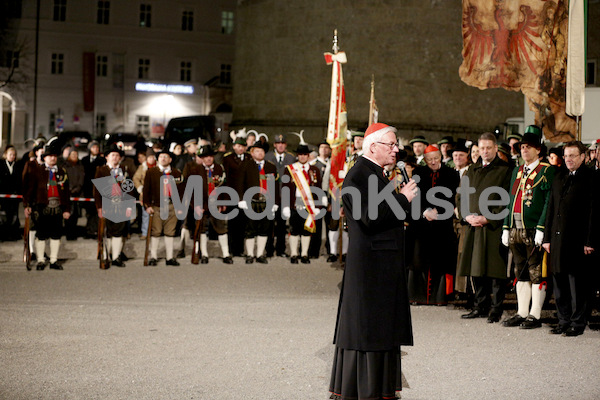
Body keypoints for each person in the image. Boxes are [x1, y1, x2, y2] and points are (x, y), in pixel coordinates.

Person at [329, 123, 417, 400]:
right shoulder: (357, 175)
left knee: (381, 327)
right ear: (372, 146)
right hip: (371, 265)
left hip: (383, 262)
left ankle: (381, 387)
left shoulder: (377, 174)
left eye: (396, 145)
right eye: (391, 144)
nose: (396, 149)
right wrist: (402, 199)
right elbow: (368, 218)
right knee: (369, 329)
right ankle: (365, 389)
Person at [542, 141, 599, 336]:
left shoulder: (591, 178)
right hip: (557, 239)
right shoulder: (559, 176)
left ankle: (578, 322)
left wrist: (590, 241)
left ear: (583, 157)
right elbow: (551, 208)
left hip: (578, 240)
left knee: (578, 284)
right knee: (559, 281)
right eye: (566, 156)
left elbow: (594, 212)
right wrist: (547, 237)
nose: (568, 159)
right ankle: (563, 320)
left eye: (573, 156)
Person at [501, 126, 555, 329]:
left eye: (529, 147)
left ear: (538, 150)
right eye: (522, 147)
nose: (524, 150)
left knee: (536, 272)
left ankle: (536, 314)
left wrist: (542, 228)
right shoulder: (517, 170)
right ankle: (522, 311)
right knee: (520, 271)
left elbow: (548, 201)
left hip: (533, 229)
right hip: (515, 227)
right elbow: (511, 200)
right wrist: (506, 227)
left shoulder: (547, 170)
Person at [457, 132, 512, 323]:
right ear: (478, 150)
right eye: (482, 148)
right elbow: (461, 196)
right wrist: (467, 216)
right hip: (473, 226)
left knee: (495, 270)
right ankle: (479, 306)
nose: (485, 151)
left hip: (493, 227)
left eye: (489, 147)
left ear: (495, 148)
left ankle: (496, 308)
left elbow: (507, 200)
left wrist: (488, 218)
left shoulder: (506, 170)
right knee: (476, 268)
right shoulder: (471, 170)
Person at [408, 145, 460, 305]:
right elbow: (413, 197)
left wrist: (439, 210)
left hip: (442, 224)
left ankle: (440, 297)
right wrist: (425, 211)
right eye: (429, 160)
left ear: (440, 158)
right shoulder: (418, 174)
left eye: (436, 159)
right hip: (421, 224)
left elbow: (453, 197)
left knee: (441, 262)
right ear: (425, 160)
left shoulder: (452, 174)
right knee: (418, 260)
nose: (433, 162)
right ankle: (417, 296)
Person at [23, 141, 71, 270]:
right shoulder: (38, 171)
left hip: (57, 208)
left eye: (55, 156)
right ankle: (40, 260)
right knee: (41, 235)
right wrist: (27, 205)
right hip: (42, 207)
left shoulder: (62, 172)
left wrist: (67, 209)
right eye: (50, 156)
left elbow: (66, 193)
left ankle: (54, 261)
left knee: (56, 235)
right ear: (44, 158)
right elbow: (30, 190)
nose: (53, 158)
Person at [236, 141, 279, 264]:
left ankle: (260, 254)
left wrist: (275, 202)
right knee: (250, 228)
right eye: (257, 151)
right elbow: (240, 184)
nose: (260, 153)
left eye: (262, 151)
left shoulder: (271, 167)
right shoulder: (246, 165)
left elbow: (275, 185)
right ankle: (250, 254)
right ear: (252, 152)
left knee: (264, 228)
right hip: (251, 201)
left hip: (266, 202)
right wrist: (241, 199)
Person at [281, 143, 324, 264]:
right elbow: (285, 189)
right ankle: (294, 254)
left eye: (305, 154)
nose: (303, 157)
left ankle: (304, 254)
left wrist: (318, 206)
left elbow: (319, 189)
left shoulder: (314, 170)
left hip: (309, 205)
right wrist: (286, 206)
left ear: (308, 156)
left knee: (306, 230)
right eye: (300, 154)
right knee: (294, 229)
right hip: (295, 204)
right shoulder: (290, 169)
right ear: (297, 156)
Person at [93, 144, 133, 267]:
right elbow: (96, 191)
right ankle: (105, 256)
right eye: (112, 155)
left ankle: (116, 257)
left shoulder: (124, 170)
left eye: (117, 155)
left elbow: (129, 189)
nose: (115, 158)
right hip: (106, 205)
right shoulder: (101, 170)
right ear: (107, 157)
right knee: (107, 231)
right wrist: (99, 207)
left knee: (118, 231)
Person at [143, 150, 184, 266]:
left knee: (170, 232)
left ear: (170, 159)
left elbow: (182, 191)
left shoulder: (176, 173)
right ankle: (153, 256)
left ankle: (169, 257)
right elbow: (146, 190)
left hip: (172, 206)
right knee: (155, 231)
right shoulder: (151, 172)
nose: (163, 158)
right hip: (157, 206)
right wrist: (147, 205)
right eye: (161, 157)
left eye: (166, 157)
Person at [196, 145, 232, 263]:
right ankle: (204, 254)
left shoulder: (219, 169)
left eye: (210, 156)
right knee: (202, 229)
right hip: (202, 204)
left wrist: (224, 201)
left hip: (216, 203)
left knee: (221, 228)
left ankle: (226, 254)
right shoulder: (197, 170)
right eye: (205, 157)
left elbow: (224, 186)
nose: (208, 159)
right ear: (201, 158)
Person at [265, 133, 295, 257]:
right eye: (278, 143)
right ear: (274, 145)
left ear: (286, 145)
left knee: (282, 225)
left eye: (283, 143)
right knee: (269, 224)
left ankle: (281, 249)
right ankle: (269, 249)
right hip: (271, 195)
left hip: (285, 195)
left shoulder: (291, 158)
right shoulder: (268, 157)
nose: (281, 146)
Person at [222, 137, 249, 257]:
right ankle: (231, 249)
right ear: (233, 147)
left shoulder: (249, 158)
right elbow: (226, 178)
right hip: (232, 195)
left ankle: (240, 249)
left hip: (245, 195)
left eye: (242, 146)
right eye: (238, 146)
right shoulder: (228, 159)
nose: (240, 148)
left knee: (243, 224)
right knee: (232, 224)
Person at [81, 140, 105, 238]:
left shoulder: (102, 160)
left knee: (97, 211)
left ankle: (96, 230)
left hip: (98, 188)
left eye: (97, 147)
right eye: (93, 147)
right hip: (87, 188)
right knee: (89, 211)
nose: (96, 149)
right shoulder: (84, 160)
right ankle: (89, 230)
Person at [132, 148, 157, 239]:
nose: (151, 159)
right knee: (145, 214)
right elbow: (135, 178)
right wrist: (140, 188)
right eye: (149, 157)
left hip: (157, 194)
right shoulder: (142, 167)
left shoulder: (158, 166)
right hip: (145, 193)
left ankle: (155, 232)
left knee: (156, 214)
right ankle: (145, 232)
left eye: (152, 157)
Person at [0, 145, 23, 241]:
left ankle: (13, 234)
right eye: (10, 154)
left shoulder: (17, 166)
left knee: (14, 215)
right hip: (3, 195)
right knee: (3, 215)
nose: (12, 156)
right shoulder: (1, 165)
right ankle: (3, 234)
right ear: (6, 155)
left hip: (14, 195)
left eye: (14, 155)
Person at [63, 149, 85, 240]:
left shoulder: (80, 166)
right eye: (72, 154)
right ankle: (68, 232)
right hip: (67, 193)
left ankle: (73, 232)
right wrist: (68, 189)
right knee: (67, 214)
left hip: (77, 194)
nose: (74, 156)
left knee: (75, 214)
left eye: (76, 154)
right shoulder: (65, 166)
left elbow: (81, 178)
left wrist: (77, 188)